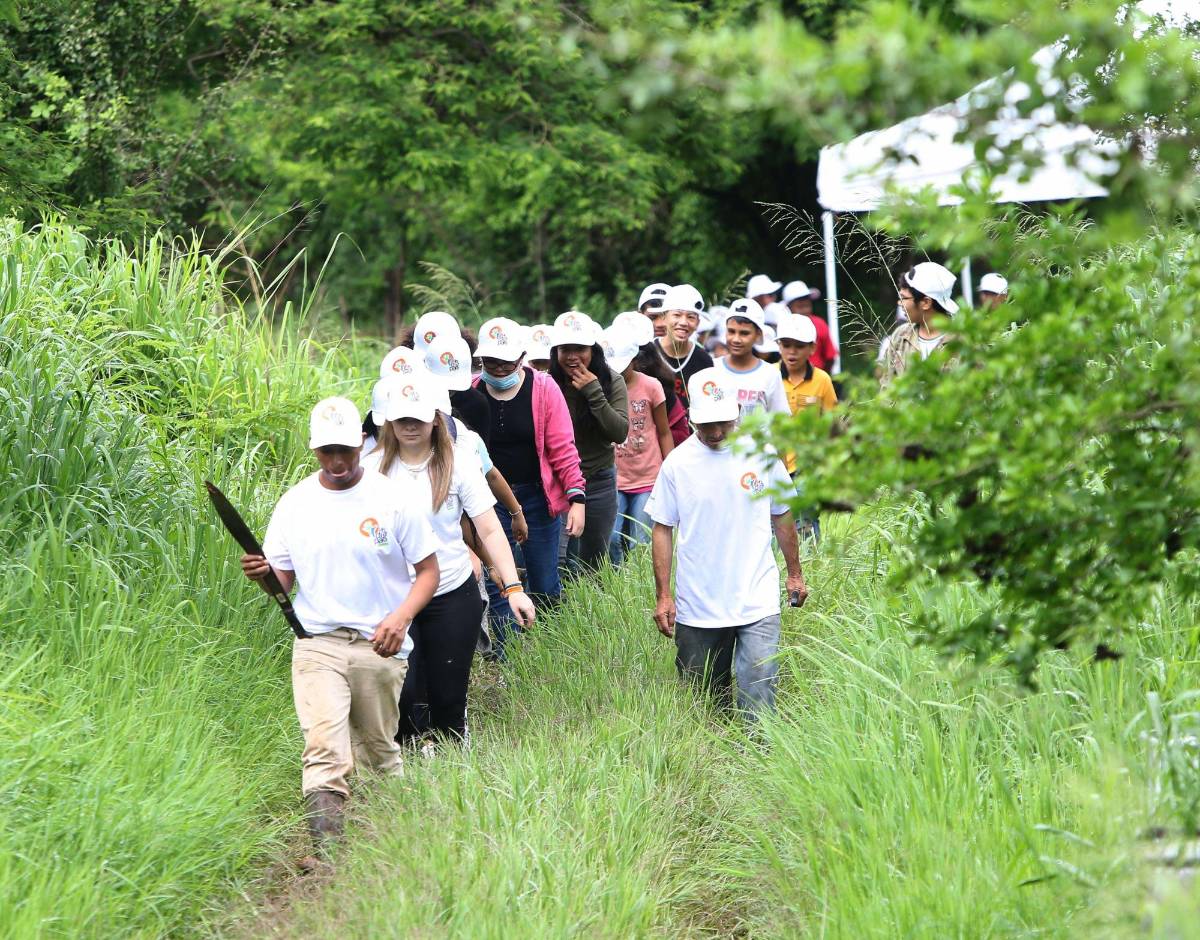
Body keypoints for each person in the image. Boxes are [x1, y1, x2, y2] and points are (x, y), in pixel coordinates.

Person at [241, 397, 440, 855]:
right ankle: (328, 855)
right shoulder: (295, 504)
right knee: (324, 749)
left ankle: (395, 846)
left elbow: (428, 571)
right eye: (327, 451)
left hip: (380, 644)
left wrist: (401, 618)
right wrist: (263, 575)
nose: (336, 461)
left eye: (345, 450)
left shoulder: (392, 498)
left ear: (362, 443)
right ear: (314, 449)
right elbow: (282, 583)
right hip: (317, 641)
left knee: (377, 752)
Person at [365, 373, 535, 746]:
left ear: (435, 417)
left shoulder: (458, 463)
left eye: (417, 417)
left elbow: (489, 529)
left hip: (451, 591)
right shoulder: (372, 468)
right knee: (404, 692)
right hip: (394, 597)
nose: (410, 426)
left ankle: (454, 759)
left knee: (447, 696)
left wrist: (513, 588)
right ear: (389, 420)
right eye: (401, 418)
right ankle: (407, 760)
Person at [648, 367, 807, 717]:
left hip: (757, 596)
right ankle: (710, 748)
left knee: (759, 693)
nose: (716, 432)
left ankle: (757, 747)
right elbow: (662, 528)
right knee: (704, 702)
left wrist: (795, 574)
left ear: (737, 412)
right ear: (691, 417)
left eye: (723, 422)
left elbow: (782, 514)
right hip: (698, 603)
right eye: (706, 424)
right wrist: (664, 595)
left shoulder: (762, 455)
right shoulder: (678, 464)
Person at [473, 316, 585, 654]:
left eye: (506, 363)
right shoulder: (473, 391)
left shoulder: (544, 389)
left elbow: (562, 447)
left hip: (536, 497)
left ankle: (549, 649)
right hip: (488, 500)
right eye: (491, 362)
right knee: (500, 581)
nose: (499, 369)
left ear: (522, 357)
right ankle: (508, 656)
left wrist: (576, 497)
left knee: (545, 582)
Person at [548, 310, 629, 573]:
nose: (572, 356)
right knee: (560, 561)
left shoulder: (612, 381)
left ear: (593, 349)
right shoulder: (547, 384)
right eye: (565, 349)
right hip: (557, 481)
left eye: (580, 349)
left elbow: (619, 432)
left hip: (598, 480)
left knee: (593, 562)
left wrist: (593, 392)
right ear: (556, 352)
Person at [606, 327, 673, 565]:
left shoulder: (651, 386)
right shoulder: (601, 386)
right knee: (612, 538)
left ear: (635, 360)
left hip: (648, 477)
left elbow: (663, 431)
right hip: (614, 477)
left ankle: (639, 580)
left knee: (641, 540)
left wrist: (671, 471)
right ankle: (615, 580)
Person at [777, 314, 838, 540]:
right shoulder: (769, 375)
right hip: (775, 461)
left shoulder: (822, 380)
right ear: (778, 346)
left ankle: (812, 558)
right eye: (786, 345)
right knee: (777, 518)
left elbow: (832, 422)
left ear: (812, 348)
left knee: (806, 519)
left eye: (799, 346)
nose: (792, 352)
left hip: (808, 463)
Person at [879, 262, 958, 388]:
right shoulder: (900, 336)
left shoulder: (961, 341)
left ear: (926, 302)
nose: (899, 303)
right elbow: (887, 388)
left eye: (904, 298)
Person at [715, 298, 790, 417]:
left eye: (744, 333)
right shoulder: (712, 368)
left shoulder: (770, 374)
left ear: (758, 334)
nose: (736, 339)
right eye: (731, 331)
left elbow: (781, 419)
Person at [655, 283, 714, 414]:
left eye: (691, 317)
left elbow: (711, 401)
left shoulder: (704, 360)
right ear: (664, 317)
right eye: (677, 315)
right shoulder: (647, 353)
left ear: (698, 323)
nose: (683, 323)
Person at [782, 280, 838, 373]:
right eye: (800, 306)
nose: (805, 309)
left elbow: (830, 357)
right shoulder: (782, 326)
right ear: (789, 306)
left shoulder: (819, 324)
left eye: (807, 304)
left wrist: (822, 377)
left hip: (816, 375)